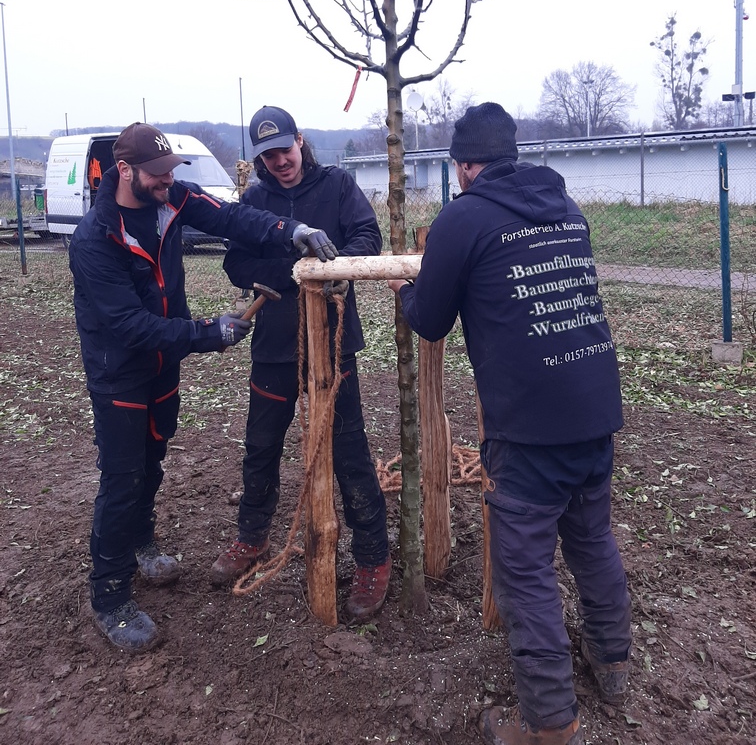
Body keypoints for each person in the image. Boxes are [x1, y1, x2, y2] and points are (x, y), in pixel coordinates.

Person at [388, 103, 632, 745]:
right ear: (513, 157)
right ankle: (612, 661)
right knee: (591, 539)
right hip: (593, 407)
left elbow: (431, 320)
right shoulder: (564, 208)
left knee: (524, 574)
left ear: (465, 167)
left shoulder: (463, 217)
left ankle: (549, 725)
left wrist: (404, 292)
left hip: (528, 430)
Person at [69, 122, 338, 654]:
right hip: (119, 371)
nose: (169, 181)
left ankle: (142, 542)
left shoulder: (173, 199)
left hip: (163, 365)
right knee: (121, 478)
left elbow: (234, 217)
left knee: (152, 460)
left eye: (173, 172)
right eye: (158, 174)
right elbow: (128, 325)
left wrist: (291, 231)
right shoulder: (95, 238)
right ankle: (109, 596)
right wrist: (206, 333)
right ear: (125, 171)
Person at [212, 105, 391, 620]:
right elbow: (235, 262)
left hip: (333, 342)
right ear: (259, 159)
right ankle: (252, 538)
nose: (279, 162)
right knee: (261, 445)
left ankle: (372, 559)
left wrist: (339, 269)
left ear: (301, 142)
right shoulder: (256, 198)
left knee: (349, 449)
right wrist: (293, 268)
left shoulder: (337, 186)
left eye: (285, 151)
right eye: (268, 156)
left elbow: (367, 238)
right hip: (273, 344)